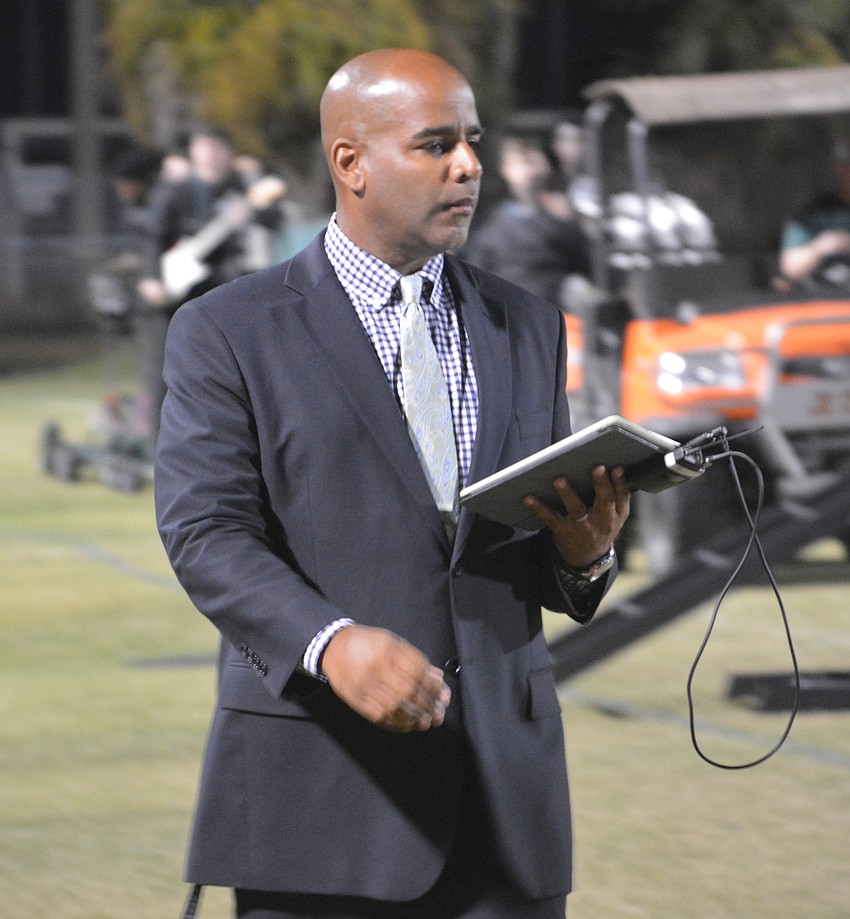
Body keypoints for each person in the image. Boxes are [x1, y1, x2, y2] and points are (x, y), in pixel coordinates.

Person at [155, 49, 629, 919]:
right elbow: (205, 532)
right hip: (322, 807)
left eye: (473, 141)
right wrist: (330, 643)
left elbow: (520, 547)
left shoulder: (527, 323)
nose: (469, 165)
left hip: (507, 816)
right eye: (436, 144)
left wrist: (584, 555)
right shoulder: (227, 329)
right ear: (352, 163)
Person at [137, 126, 285, 447]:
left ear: (228, 153)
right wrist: (151, 277)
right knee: (164, 365)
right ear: (193, 151)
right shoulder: (175, 191)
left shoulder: (241, 189)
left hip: (224, 288)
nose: (210, 154)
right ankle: (158, 444)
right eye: (203, 146)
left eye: (217, 147)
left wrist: (253, 209)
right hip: (178, 292)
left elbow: (274, 217)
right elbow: (154, 236)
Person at [464, 135, 592, 306]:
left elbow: (587, 259)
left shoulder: (566, 213)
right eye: (524, 163)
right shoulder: (492, 227)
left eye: (535, 162)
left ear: (546, 166)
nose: (531, 172)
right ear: (506, 169)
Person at [779, 139, 850, 286]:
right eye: (846, 167)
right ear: (839, 169)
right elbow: (790, 267)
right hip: (826, 297)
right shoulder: (815, 213)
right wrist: (822, 246)